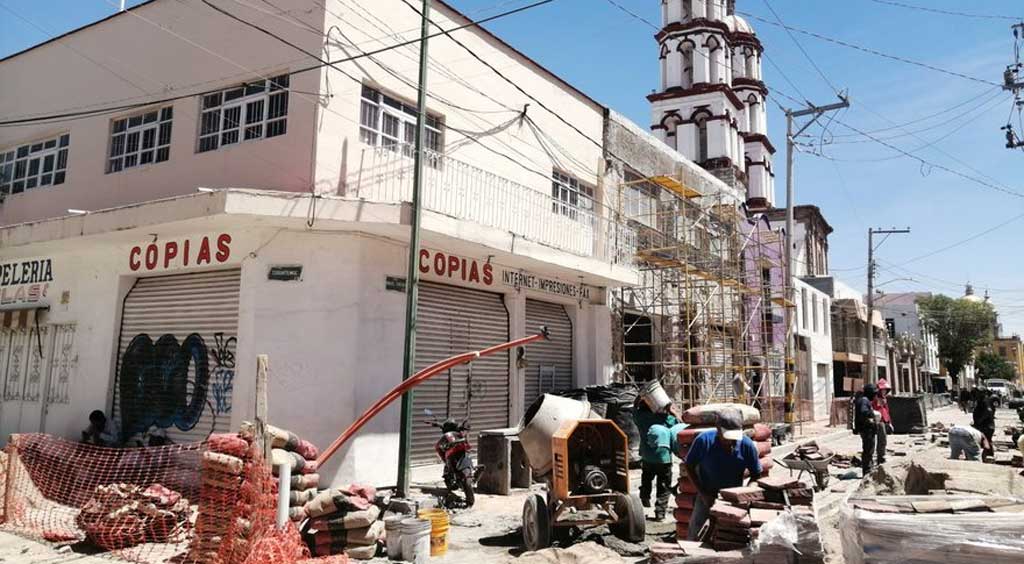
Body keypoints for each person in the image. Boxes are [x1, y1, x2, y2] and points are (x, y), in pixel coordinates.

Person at [683, 409, 762, 540]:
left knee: (731, 536)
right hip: (707, 495)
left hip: (733, 499)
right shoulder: (703, 441)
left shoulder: (746, 445)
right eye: (726, 437)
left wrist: (746, 494)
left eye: (733, 437)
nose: (730, 441)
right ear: (718, 429)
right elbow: (689, 466)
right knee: (696, 534)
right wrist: (703, 494)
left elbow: (756, 474)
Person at [633, 400, 677, 521]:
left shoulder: (640, 418)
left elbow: (634, 410)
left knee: (646, 477)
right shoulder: (665, 419)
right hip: (664, 458)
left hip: (647, 456)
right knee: (663, 486)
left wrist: (638, 400)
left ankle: (644, 496)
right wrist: (671, 411)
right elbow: (679, 425)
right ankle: (660, 513)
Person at [854, 383, 878, 476]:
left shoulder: (862, 399)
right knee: (868, 450)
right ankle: (867, 471)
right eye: (874, 393)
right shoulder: (864, 400)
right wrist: (872, 416)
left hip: (865, 429)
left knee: (868, 449)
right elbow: (864, 412)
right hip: (867, 430)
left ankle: (868, 469)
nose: (875, 395)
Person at [872, 379, 893, 466]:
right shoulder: (875, 398)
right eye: (883, 390)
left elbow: (887, 410)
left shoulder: (884, 399)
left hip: (884, 419)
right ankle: (880, 456)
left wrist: (890, 422)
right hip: (878, 420)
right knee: (882, 438)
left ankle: (881, 455)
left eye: (885, 390)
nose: (884, 392)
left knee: (883, 439)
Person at [972, 389, 996, 457]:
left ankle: (986, 456)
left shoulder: (985, 401)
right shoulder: (982, 401)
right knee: (987, 441)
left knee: (985, 441)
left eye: (978, 393)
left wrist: (980, 420)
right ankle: (990, 456)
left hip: (986, 426)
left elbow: (988, 411)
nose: (976, 395)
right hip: (985, 425)